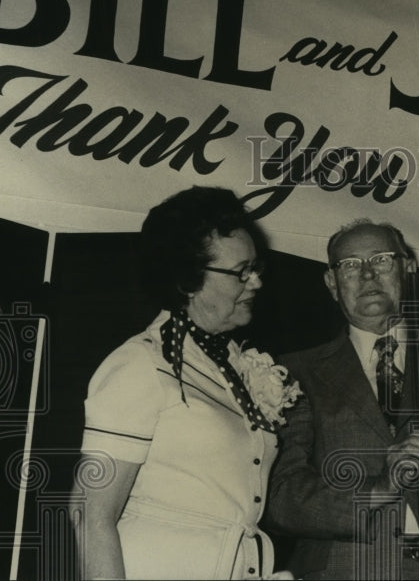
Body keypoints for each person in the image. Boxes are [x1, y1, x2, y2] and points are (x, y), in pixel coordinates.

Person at [266, 219, 419, 579]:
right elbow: (280, 498)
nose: (367, 275)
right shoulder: (293, 372)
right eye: (350, 265)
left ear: (409, 270)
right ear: (332, 284)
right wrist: (377, 489)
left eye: (381, 260)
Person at [69, 187, 299, 579]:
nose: (256, 282)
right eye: (240, 272)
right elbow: (89, 515)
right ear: (188, 280)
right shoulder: (141, 363)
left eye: (256, 267)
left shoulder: (230, 365)